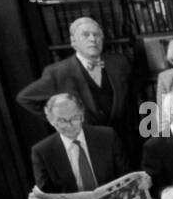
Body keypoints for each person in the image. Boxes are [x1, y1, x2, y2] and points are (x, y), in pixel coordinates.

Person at [17, 17, 137, 161]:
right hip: (89, 144)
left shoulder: (119, 63)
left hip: (125, 141)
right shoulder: (58, 72)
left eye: (97, 35)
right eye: (85, 35)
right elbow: (25, 98)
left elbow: (132, 98)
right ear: (73, 42)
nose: (93, 39)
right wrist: (62, 119)